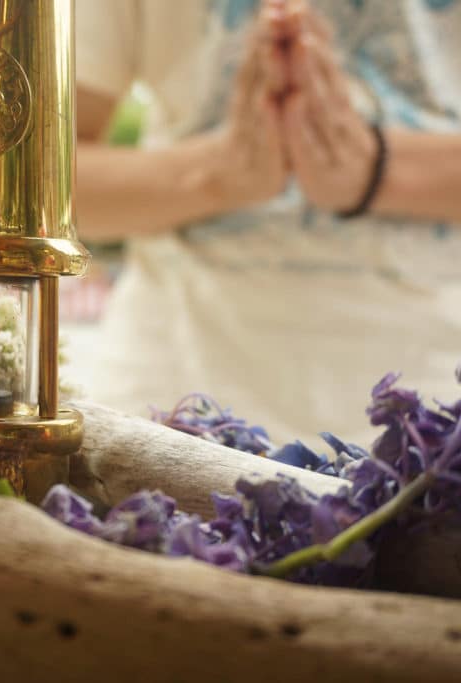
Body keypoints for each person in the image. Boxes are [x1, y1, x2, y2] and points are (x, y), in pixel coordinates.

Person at [76, 0, 461, 446]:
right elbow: (41, 177)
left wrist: (377, 168)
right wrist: (218, 173)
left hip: (436, 415)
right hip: (169, 401)